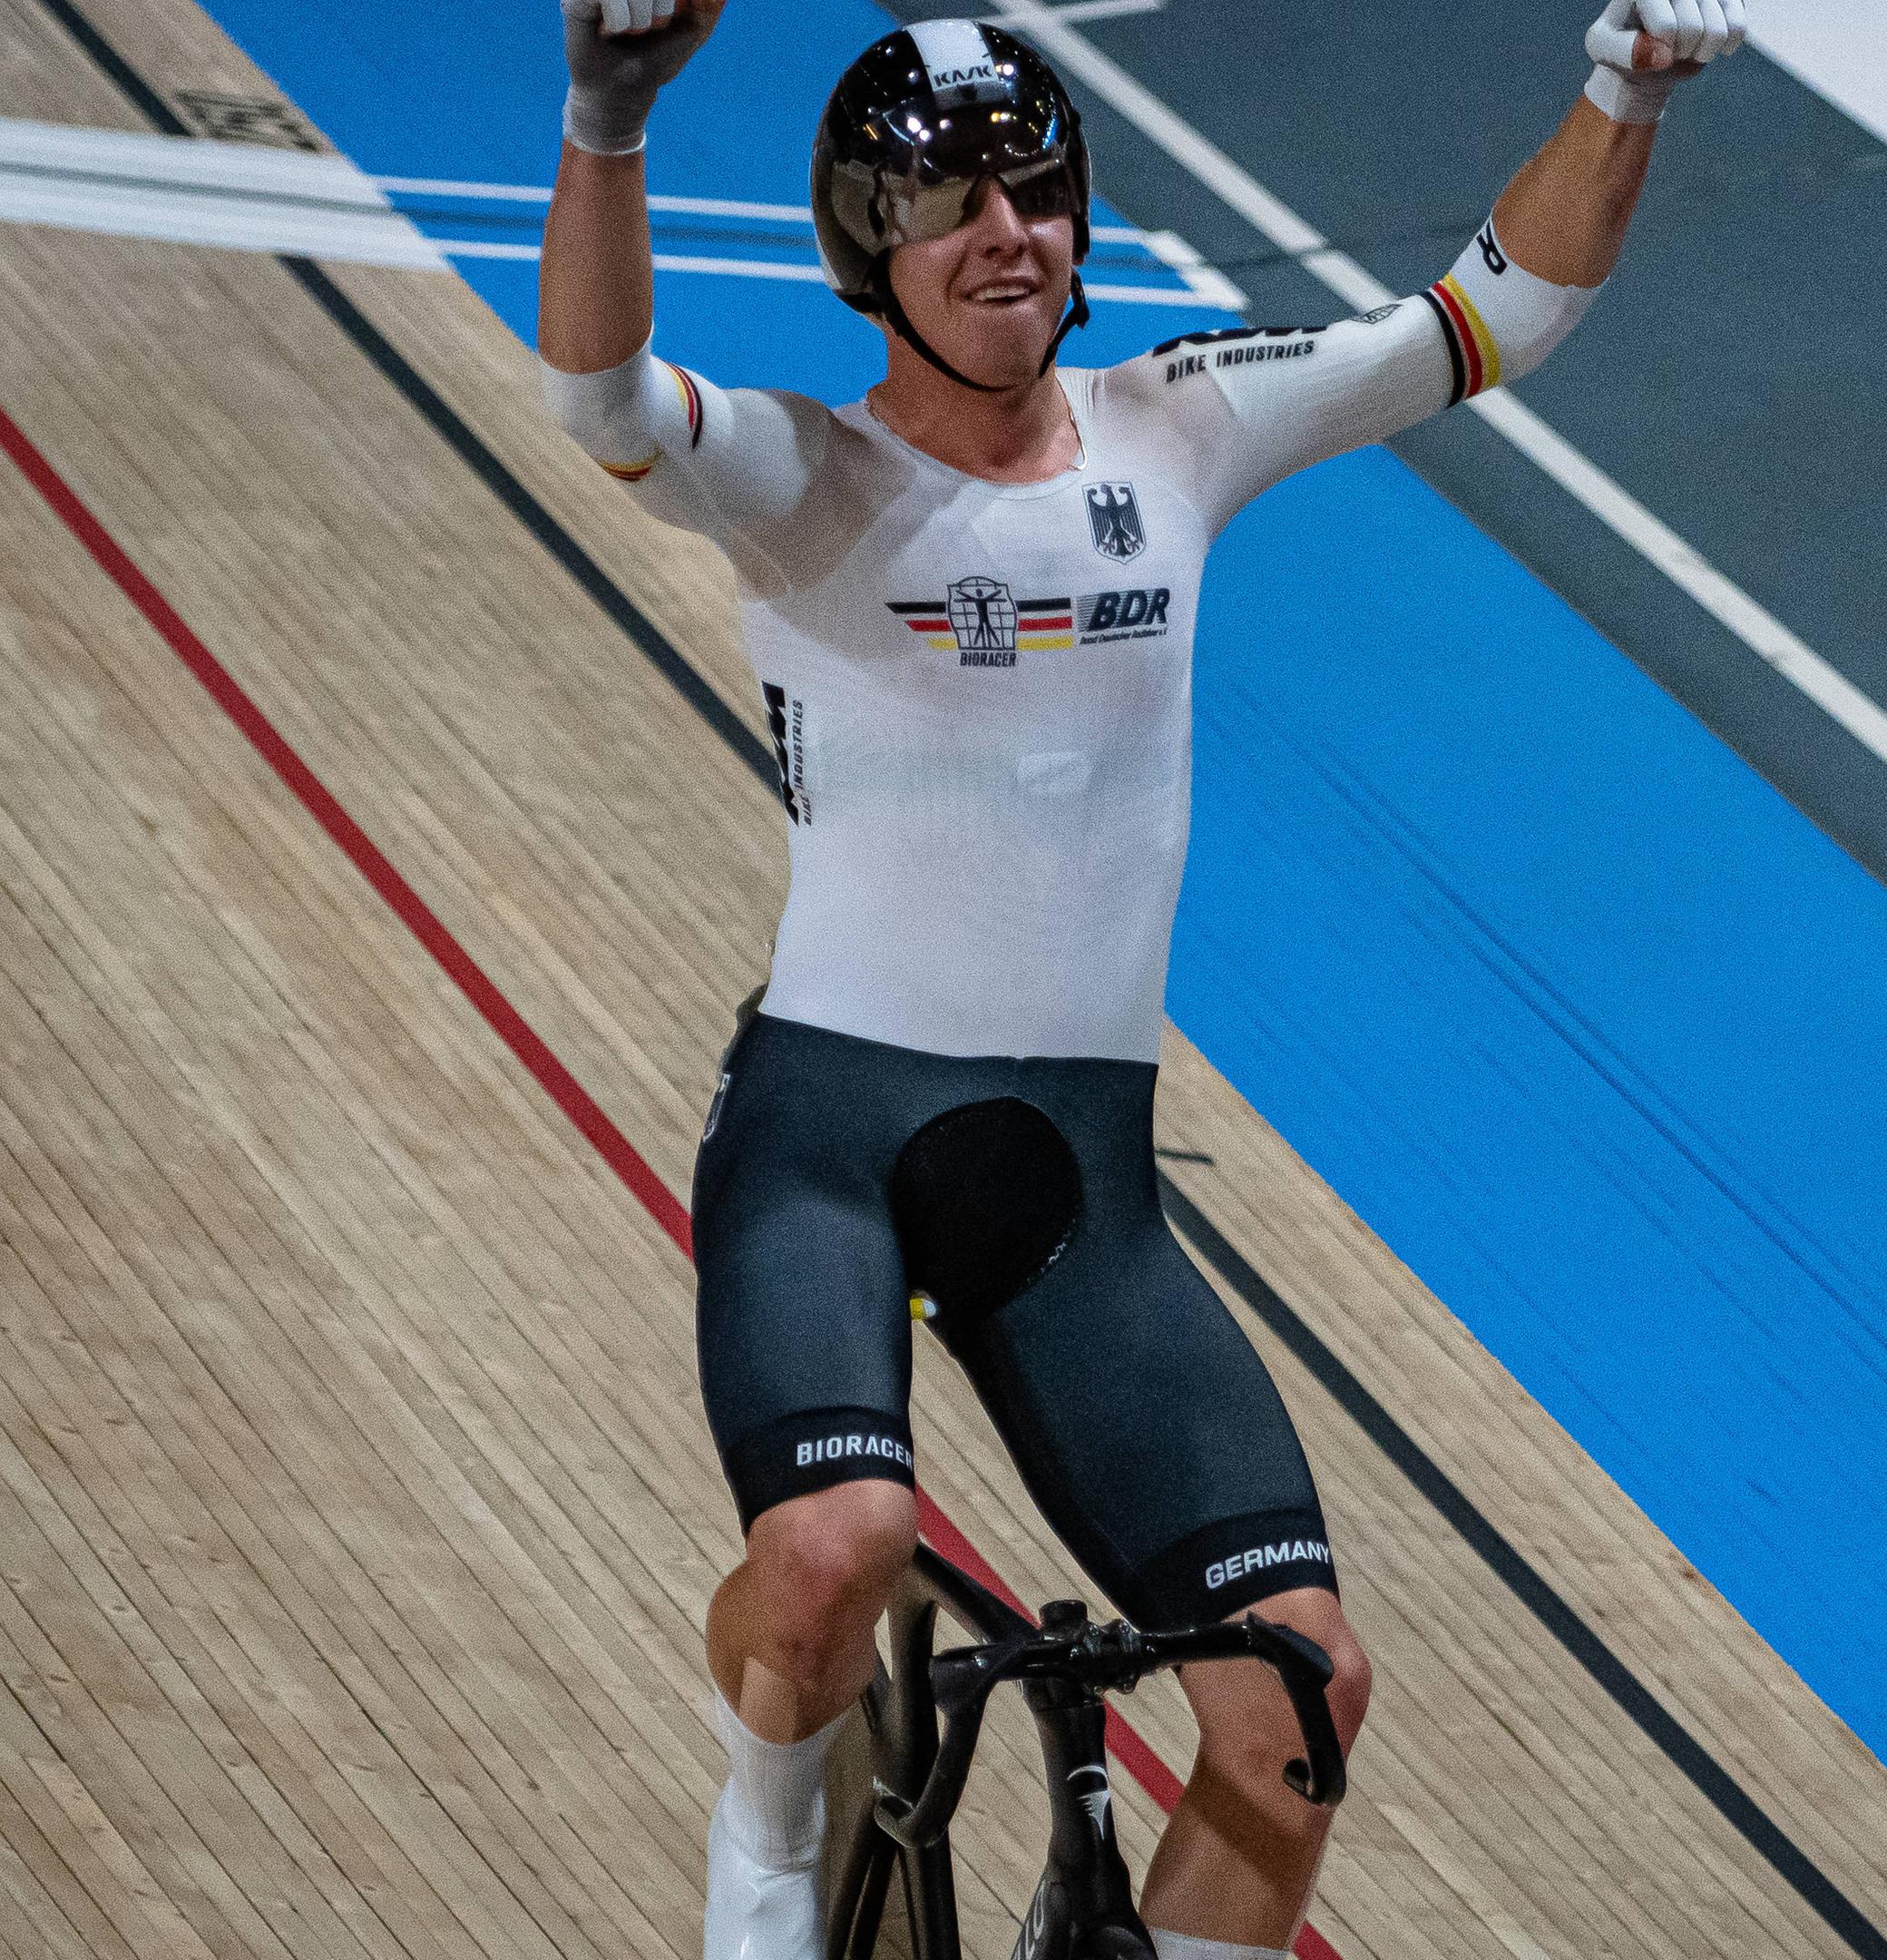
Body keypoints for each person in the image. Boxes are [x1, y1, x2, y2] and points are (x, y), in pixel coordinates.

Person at [533, 3, 1751, 1956]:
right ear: (869, 249)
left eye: (1034, 185)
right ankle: (766, 1825)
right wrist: (608, 114)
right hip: (832, 1140)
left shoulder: (1183, 422)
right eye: (945, 196)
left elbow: (1494, 316)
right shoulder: (802, 477)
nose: (1004, 227)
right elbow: (599, 400)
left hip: (1081, 1184)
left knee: (1304, 1713)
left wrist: (1623, 90)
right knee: (841, 1544)